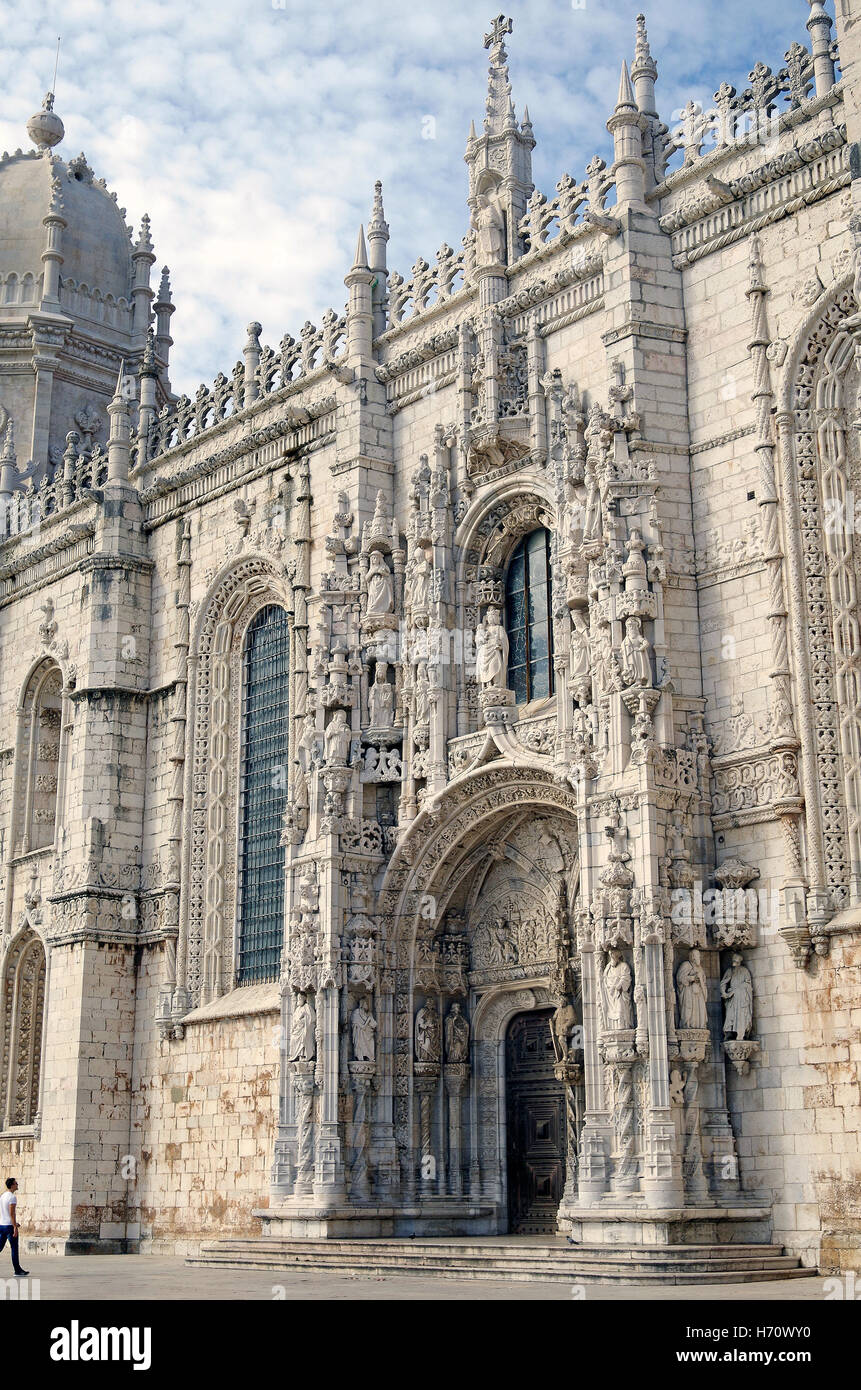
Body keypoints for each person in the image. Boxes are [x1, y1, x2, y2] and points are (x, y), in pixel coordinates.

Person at [0, 1178, 28, 1277]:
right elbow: (12, 1213)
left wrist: (15, 1223)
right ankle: (17, 1270)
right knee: (14, 1248)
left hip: (2, 1225)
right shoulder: (12, 1197)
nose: (17, 1184)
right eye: (16, 1183)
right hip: (9, 1227)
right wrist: (14, 1226)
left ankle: (18, 1269)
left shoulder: (2, 1196)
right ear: (12, 1185)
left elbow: (5, 1213)